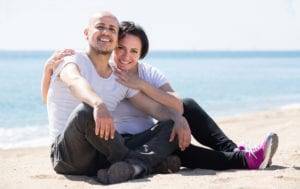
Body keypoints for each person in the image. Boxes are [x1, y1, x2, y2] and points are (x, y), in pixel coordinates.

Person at [43, 20, 278, 174]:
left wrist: (143, 86)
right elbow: (56, 98)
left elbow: (174, 104)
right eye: (121, 48)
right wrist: (48, 71)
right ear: (112, 46)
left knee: (185, 108)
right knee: (179, 146)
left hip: (146, 140)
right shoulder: (102, 72)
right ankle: (244, 159)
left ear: (141, 54)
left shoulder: (142, 75)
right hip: (118, 143)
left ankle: (238, 152)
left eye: (134, 51)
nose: (126, 56)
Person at [44, 11, 191, 185]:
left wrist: (178, 119)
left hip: (104, 153)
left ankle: (132, 167)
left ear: (116, 40)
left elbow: (155, 109)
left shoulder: (120, 77)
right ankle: (146, 164)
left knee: (169, 127)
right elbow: (74, 81)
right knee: (86, 111)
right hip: (68, 156)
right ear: (86, 33)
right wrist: (98, 104)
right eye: (100, 27)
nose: (106, 32)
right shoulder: (70, 58)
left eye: (112, 29)